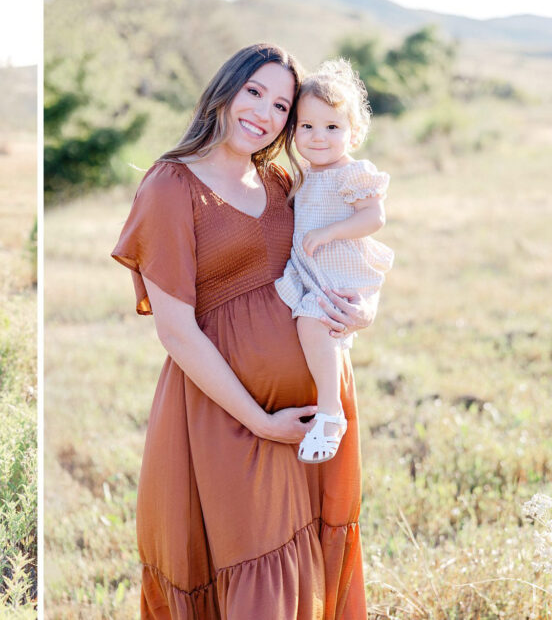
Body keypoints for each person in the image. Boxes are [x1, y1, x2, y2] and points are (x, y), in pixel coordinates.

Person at [112, 43, 371, 619]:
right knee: (254, 570)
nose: (264, 113)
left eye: (282, 105)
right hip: (230, 418)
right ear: (225, 89)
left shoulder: (282, 181)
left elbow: (333, 265)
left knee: (303, 567)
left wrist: (358, 312)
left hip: (314, 412)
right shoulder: (171, 186)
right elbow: (176, 332)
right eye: (254, 91)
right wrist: (259, 421)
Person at [275, 59, 393, 464]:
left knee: (314, 319)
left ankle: (331, 412)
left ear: (353, 133)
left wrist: (330, 232)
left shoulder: (351, 173)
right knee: (314, 326)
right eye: (307, 127)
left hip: (339, 268)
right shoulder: (304, 174)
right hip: (313, 270)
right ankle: (325, 402)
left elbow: (373, 217)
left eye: (332, 128)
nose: (318, 137)